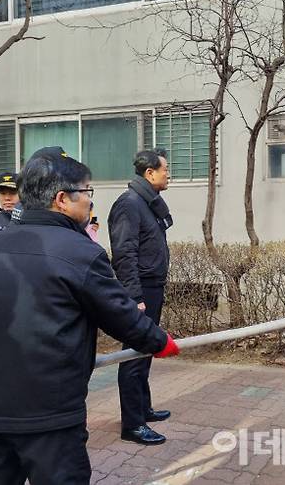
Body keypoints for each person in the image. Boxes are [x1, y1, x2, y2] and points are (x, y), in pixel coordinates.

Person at [0, 146, 180, 484]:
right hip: (48, 415)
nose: (89, 201)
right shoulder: (79, 252)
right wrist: (160, 341)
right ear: (62, 199)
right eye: (86, 192)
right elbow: (122, 316)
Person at [108, 148, 174, 445]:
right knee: (134, 354)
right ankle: (132, 424)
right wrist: (134, 296)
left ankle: (143, 408)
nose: (168, 174)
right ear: (150, 173)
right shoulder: (129, 204)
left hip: (152, 286)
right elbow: (124, 253)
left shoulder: (147, 202)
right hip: (141, 290)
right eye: (165, 169)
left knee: (145, 349)